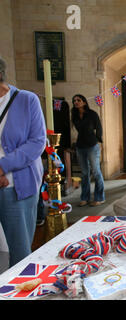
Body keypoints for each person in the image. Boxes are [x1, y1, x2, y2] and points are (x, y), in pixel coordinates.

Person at [0, 57, 46, 266]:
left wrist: (2, 167)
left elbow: (37, 143)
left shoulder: (26, 100)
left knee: (19, 255)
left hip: (16, 187)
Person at [71, 94, 105, 207]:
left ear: (84, 102)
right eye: (74, 100)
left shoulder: (92, 114)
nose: (76, 102)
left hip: (92, 145)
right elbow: (79, 129)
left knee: (96, 171)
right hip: (80, 146)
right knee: (85, 173)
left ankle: (99, 197)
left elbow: (99, 127)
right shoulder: (74, 115)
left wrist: (99, 139)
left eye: (78, 100)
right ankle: (84, 198)